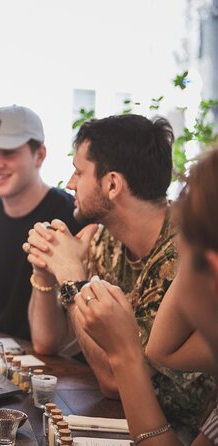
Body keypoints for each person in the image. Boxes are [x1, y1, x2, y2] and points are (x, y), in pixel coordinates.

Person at [26, 114, 215, 434]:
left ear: (112, 184)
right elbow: (46, 343)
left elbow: (116, 379)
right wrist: (45, 272)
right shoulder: (102, 240)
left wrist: (73, 279)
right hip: (118, 420)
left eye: (78, 171)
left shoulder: (186, 255)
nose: (70, 183)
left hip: (182, 432)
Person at [75, 148, 218, 445]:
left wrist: (124, 351)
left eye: (183, 238)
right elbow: (162, 351)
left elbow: (143, 359)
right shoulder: (103, 241)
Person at [0, 105, 81, 340]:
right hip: (3, 360)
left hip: (67, 365)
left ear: (39, 155)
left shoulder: (72, 216)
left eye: (8, 153)